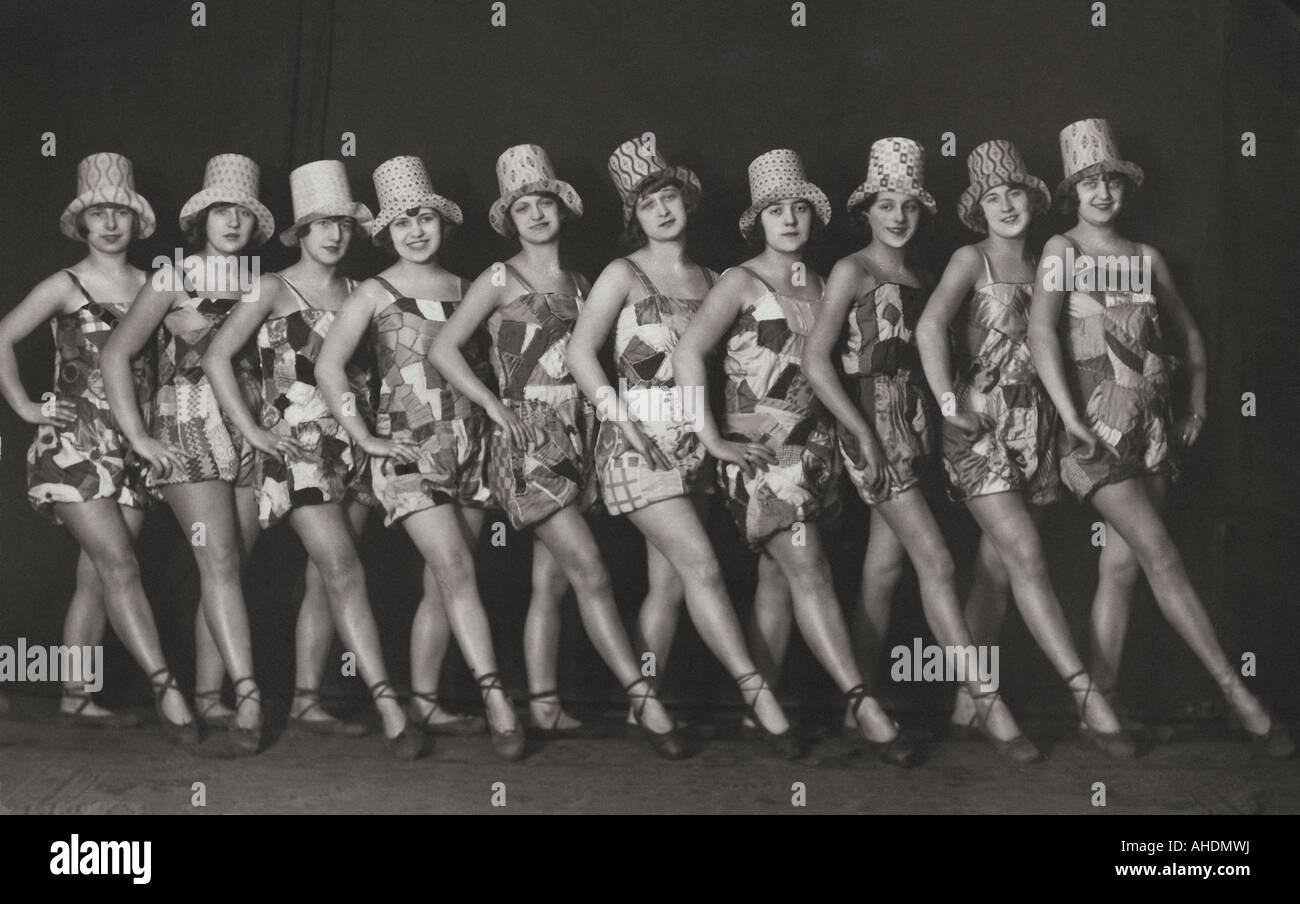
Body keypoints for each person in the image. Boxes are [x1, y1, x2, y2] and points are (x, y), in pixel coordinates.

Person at [1028, 118, 1292, 758]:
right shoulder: (1063, 250)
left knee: (1120, 567)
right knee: (1163, 555)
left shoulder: (1147, 259)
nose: (1101, 193)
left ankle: (1100, 709)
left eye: (1110, 181)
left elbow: (1191, 338)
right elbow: (1041, 335)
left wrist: (1196, 405)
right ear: (1073, 193)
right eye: (1088, 182)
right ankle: (1241, 698)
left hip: (1150, 434)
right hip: (1093, 432)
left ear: (1124, 189)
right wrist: (1067, 419)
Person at [431, 144, 689, 759]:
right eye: (524, 206)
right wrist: (494, 406)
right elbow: (442, 350)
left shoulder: (581, 280)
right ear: (510, 218)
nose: (537, 214)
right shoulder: (499, 277)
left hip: (577, 434)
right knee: (591, 570)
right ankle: (645, 703)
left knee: (551, 583)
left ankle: (544, 704)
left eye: (544, 201)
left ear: (561, 208)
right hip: (526, 441)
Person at [673, 149, 916, 764]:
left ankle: (762, 711)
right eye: (776, 210)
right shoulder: (739, 280)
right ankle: (865, 707)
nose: (789, 219)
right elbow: (687, 354)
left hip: (818, 452)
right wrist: (711, 439)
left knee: (779, 583)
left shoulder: (823, 280)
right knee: (809, 570)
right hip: (761, 460)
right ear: (758, 220)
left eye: (799, 208)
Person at [569, 132, 805, 743]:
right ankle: (764, 705)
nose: (663, 211)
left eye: (670, 198)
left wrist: (726, 435)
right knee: (701, 565)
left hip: (696, 443)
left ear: (687, 203)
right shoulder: (622, 273)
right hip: (635, 442)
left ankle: (642, 706)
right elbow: (579, 354)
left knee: (670, 583)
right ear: (634, 216)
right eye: (649, 204)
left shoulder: (712, 277)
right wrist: (619, 421)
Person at [916, 138, 1141, 759]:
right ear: (978, 208)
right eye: (993, 196)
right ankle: (1084, 698)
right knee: (1026, 553)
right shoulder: (971, 259)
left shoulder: (1050, 258)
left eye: (1015, 191)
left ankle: (966, 702)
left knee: (995, 570)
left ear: (1034, 198)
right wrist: (947, 405)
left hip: (1037, 427)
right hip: (980, 425)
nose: (1006, 204)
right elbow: (928, 326)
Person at [202, 160, 424, 758]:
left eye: (344, 225)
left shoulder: (362, 291)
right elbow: (217, 356)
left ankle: (305, 700)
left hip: (358, 445)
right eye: (320, 224)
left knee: (325, 581)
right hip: (297, 448)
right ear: (300, 231)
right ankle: (390, 707)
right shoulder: (273, 287)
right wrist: (253, 431)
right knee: (344, 569)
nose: (333, 235)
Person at [316, 155, 518, 758]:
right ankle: (497, 702)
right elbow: (328, 367)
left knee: (442, 584)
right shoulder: (375, 291)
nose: (415, 231)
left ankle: (425, 704)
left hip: (472, 445)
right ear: (386, 232)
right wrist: (367, 438)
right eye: (402, 222)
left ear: (441, 223)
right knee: (457, 568)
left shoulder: (468, 286)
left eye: (424, 217)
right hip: (408, 450)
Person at [0, 153, 197, 743]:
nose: (110, 223)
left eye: (120, 213)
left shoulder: (156, 284)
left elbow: (203, 339)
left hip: (137, 450)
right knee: (119, 565)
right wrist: (25, 408)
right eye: (98, 214)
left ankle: (76, 697)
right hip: (73, 447)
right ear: (82, 224)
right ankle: (169, 691)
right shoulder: (67, 284)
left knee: (96, 576)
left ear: (136, 222)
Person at [102, 154, 273, 755]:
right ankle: (249, 698)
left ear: (255, 226)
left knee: (231, 568)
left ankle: (209, 698)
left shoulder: (260, 280)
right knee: (219, 560)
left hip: (251, 427)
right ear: (201, 218)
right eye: (221, 211)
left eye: (243, 214)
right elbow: (115, 354)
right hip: (186, 426)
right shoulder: (174, 275)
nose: (232, 222)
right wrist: (140, 438)